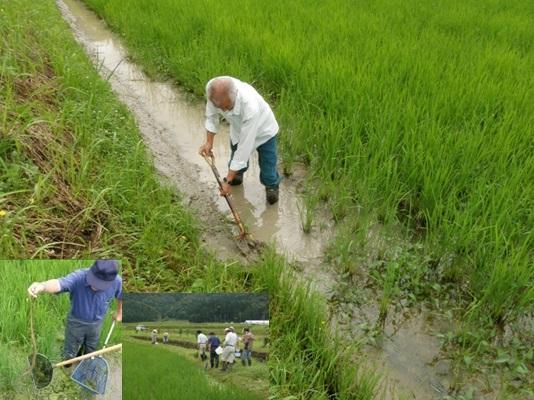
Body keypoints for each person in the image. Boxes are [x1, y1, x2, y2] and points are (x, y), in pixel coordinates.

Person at [199, 76, 282, 205]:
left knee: (268, 165)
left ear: (234, 96)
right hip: (238, 128)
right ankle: (237, 175)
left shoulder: (250, 106)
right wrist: (209, 142)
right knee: (235, 157)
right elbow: (211, 116)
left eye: (227, 107)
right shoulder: (213, 90)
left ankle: (272, 186)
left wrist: (227, 181)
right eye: (220, 107)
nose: (224, 111)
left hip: (264, 131)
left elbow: (244, 149)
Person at [27, 260, 122, 365]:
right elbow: (60, 283)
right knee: (70, 349)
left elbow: (121, 296)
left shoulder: (117, 281)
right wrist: (42, 286)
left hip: (97, 323)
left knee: (91, 348)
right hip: (76, 322)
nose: (94, 286)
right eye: (93, 281)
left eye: (100, 284)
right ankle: (67, 364)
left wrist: (119, 312)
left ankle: (85, 362)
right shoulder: (79, 277)